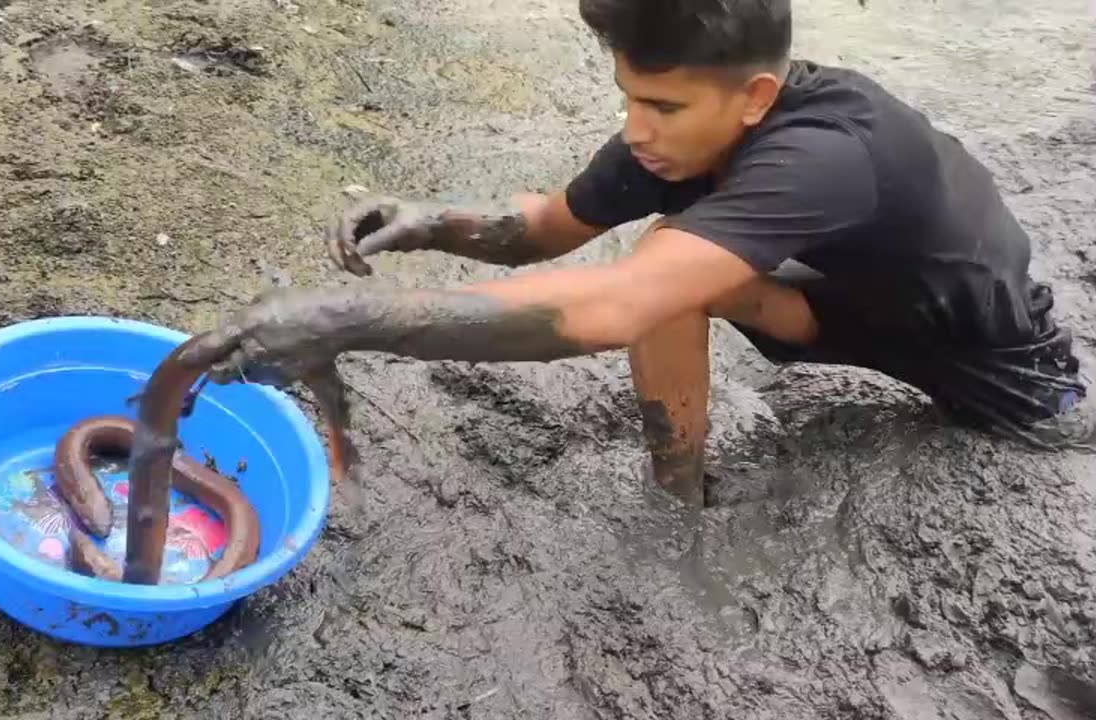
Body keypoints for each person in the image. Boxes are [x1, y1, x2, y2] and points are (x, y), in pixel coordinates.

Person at [207, 0, 1092, 505]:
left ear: (754, 97)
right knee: (671, 247)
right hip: (837, 300)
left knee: (1053, 446)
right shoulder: (678, 135)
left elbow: (614, 305)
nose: (637, 132)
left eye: (662, 108)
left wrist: (354, 316)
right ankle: (681, 486)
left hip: (994, 359)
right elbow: (549, 229)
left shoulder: (826, 156)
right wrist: (434, 219)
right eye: (628, 97)